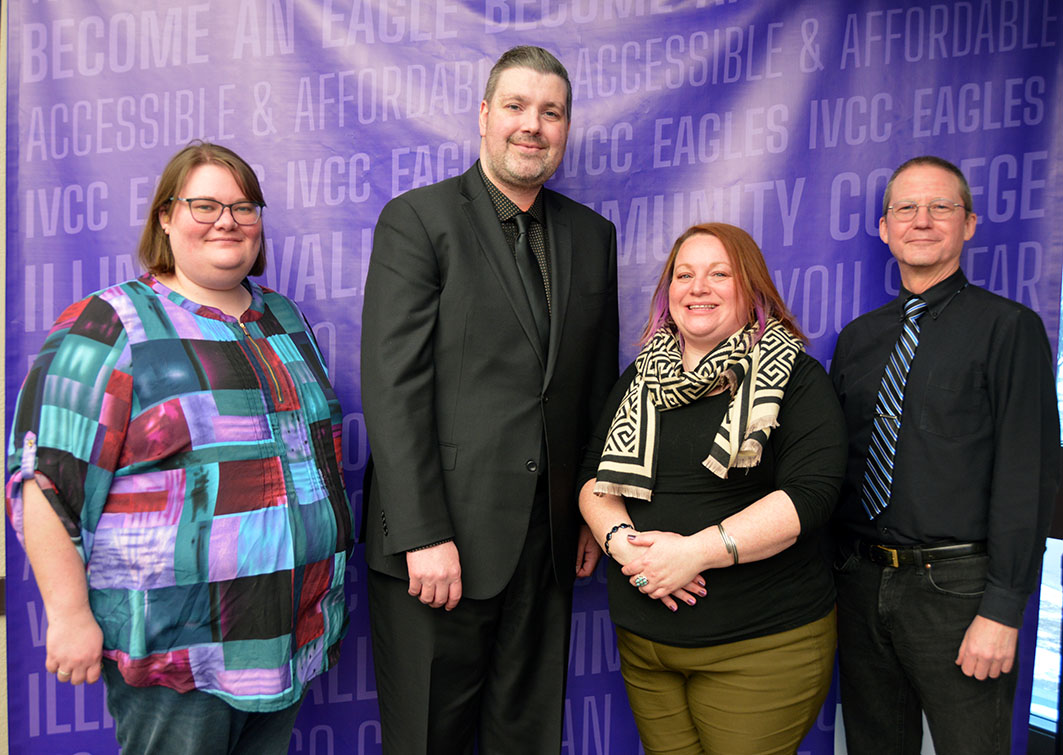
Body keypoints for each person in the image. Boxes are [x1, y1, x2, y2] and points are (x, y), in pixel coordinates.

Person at [5, 142, 353, 754]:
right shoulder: (112, 323)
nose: (227, 220)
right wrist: (67, 614)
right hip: (179, 655)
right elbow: (43, 480)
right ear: (166, 217)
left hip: (287, 642)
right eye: (205, 204)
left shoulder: (284, 320)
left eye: (244, 207)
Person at [360, 45, 619, 754]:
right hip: (438, 546)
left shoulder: (591, 236)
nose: (531, 125)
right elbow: (393, 385)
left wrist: (595, 514)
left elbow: (596, 387)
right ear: (483, 116)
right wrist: (420, 533)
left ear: (565, 127)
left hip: (547, 547)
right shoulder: (418, 221)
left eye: (550, 111)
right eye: (515, 106)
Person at [578, 222, 846, 755]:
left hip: (759, 648)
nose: (698, 287)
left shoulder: (795, 378)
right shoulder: (640, 379)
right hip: (646, 645)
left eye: (719, 273)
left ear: (752, 290)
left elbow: (809, 496)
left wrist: (693, 554)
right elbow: (594, 478)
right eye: (685, 274)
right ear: (668, 293)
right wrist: (628, 550)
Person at [830, 155, 1059, 754]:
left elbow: (1027, 477)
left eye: (941, 207)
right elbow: (836, 470)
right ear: (885, 229)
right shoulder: (858, 340)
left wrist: (1003, 610)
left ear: (970, 224)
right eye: (906, 208)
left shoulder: (1010, 330)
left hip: (959, 592)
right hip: (859, 583)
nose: (922, 220)